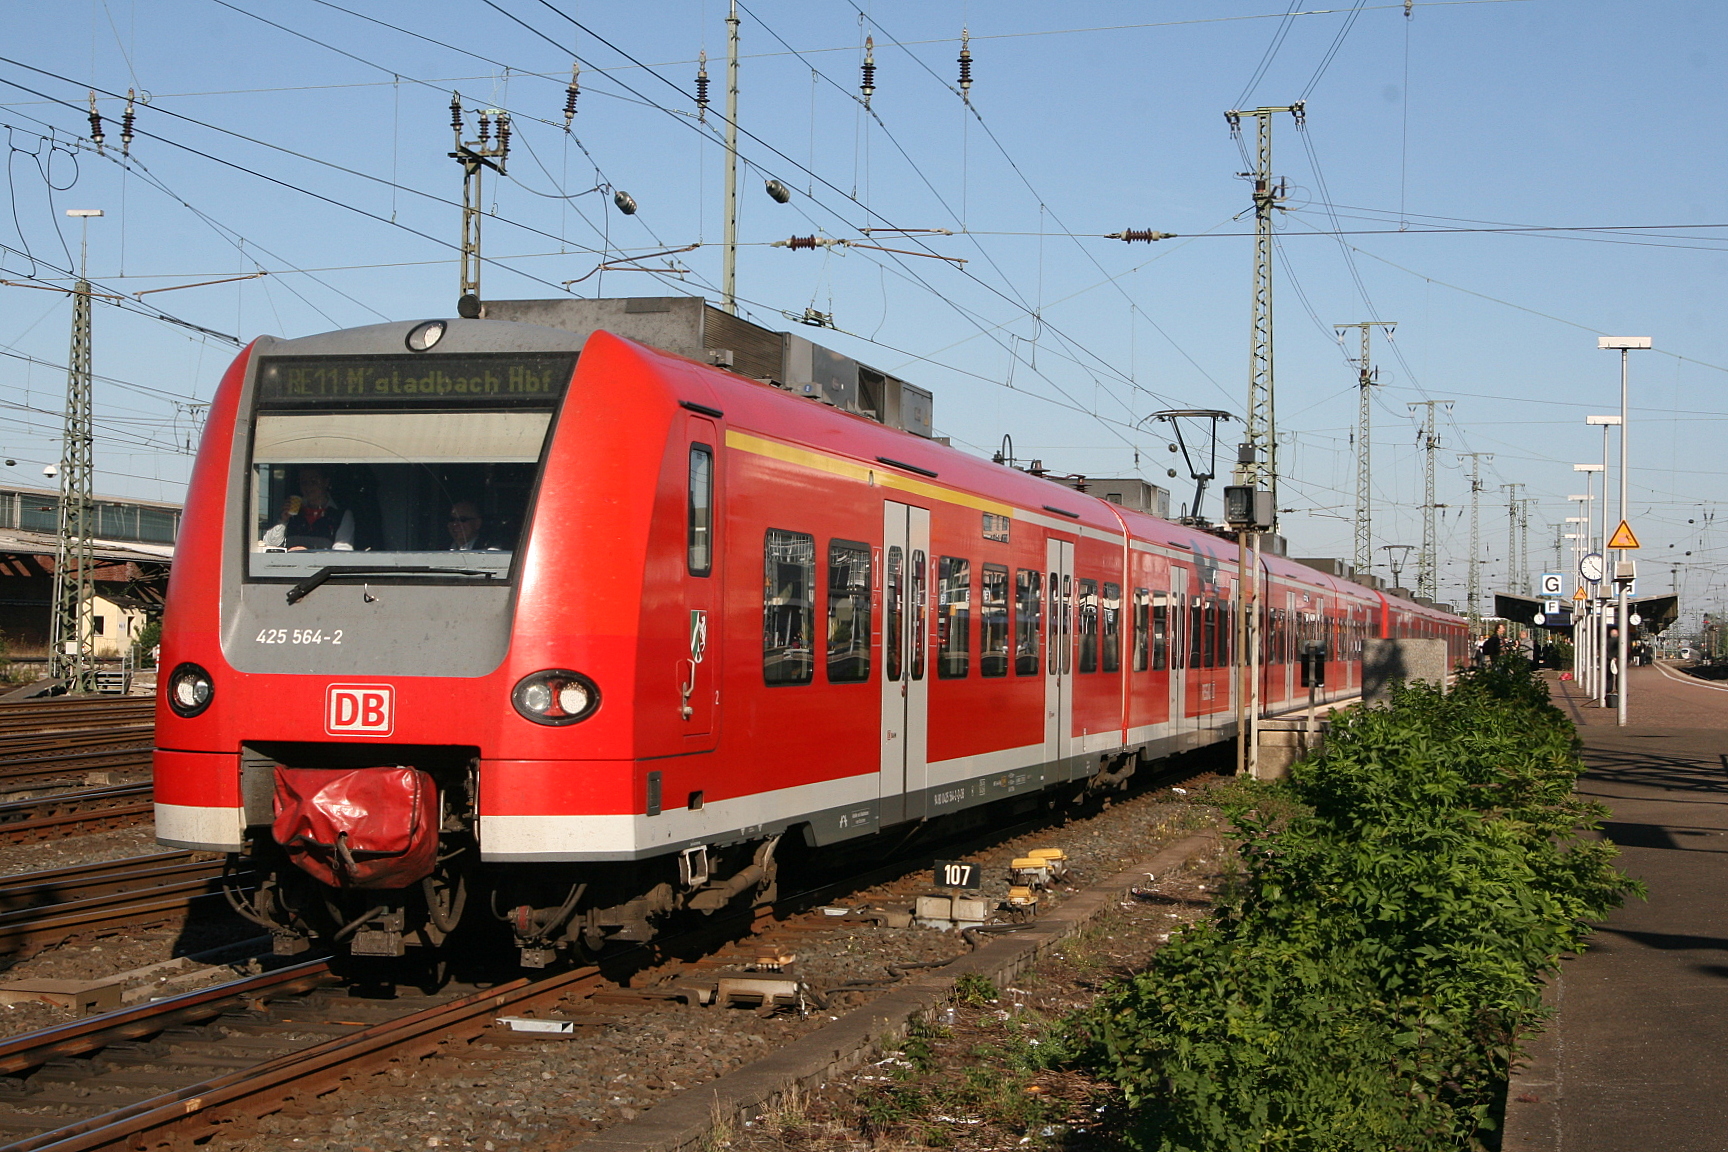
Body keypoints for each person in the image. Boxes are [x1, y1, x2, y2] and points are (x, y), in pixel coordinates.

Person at [261, 466, 354, 551]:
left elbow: (342, 552)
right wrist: (282, 520)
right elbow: (270, 545)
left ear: (326, 483)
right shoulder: (293, 512)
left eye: (313, 482)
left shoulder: (340, 515)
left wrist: (307, 553)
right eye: (303, 482)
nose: (308, 487)